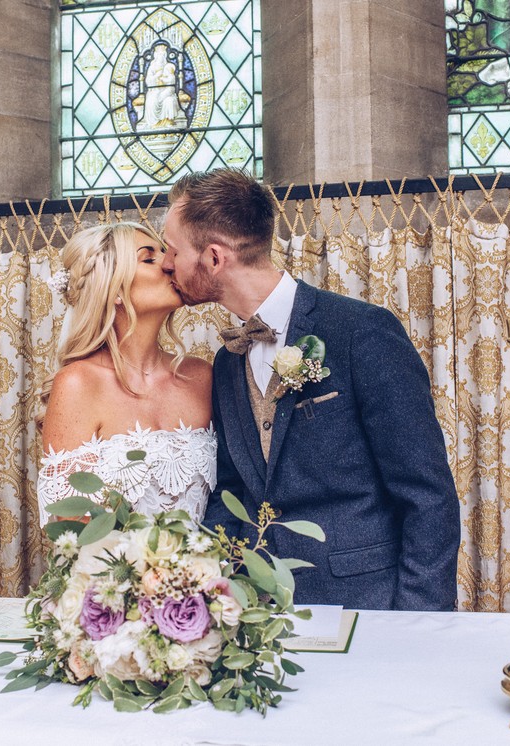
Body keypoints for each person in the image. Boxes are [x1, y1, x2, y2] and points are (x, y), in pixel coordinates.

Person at [161, 169, 460, 611]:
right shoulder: (226, 362)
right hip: (258, 614)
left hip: (367, 604)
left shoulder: (361, 332)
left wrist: (418, 620)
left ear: (214, 257)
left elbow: (427, 495)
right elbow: (233, 490)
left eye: (172, 249)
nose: (167, 263)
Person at [36, 222, 215, 526]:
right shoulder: (78, 384)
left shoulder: (201, 377)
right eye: (149, 258)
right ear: (114, 289)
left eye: (166, 253)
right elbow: (73, 527)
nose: (169, 264)